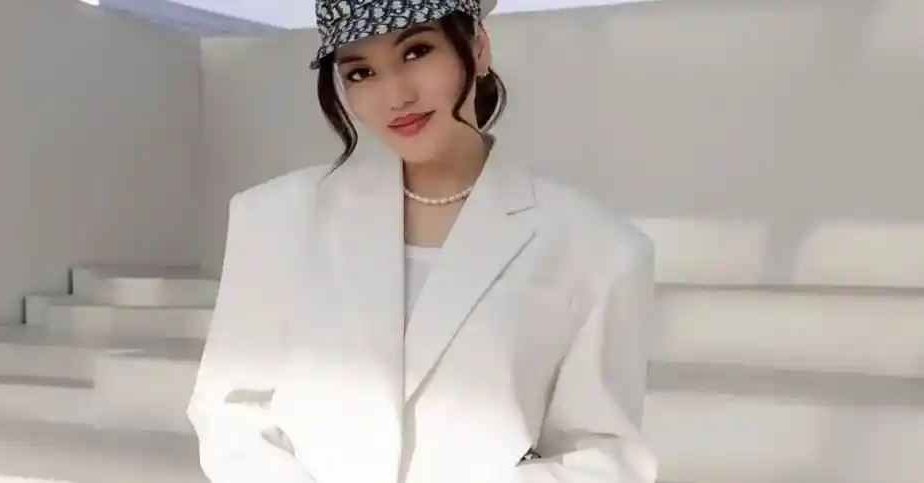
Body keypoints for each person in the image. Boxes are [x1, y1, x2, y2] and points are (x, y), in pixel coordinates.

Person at [186, 1, 658, 482]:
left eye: (416, 52)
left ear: (478, 48)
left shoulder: (600, 249)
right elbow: (230, 413)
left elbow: (603, 457)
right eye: (361, 72)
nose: (396, 96)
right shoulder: (272, 218)